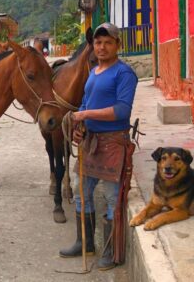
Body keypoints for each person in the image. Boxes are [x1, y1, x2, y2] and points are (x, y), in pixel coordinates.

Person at [59, 22, 138, 270]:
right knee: (81, 191)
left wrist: (86, 115)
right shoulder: (93, 73)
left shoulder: (124, 73)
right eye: (98, 42)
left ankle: (111, 252)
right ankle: (85, 243)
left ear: (117, 45)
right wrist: (79, 123)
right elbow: (84, 103)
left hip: (113, 143)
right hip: (90, 142)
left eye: (107, 42)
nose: (101, 47)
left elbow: (122, 110)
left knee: (114, 198)